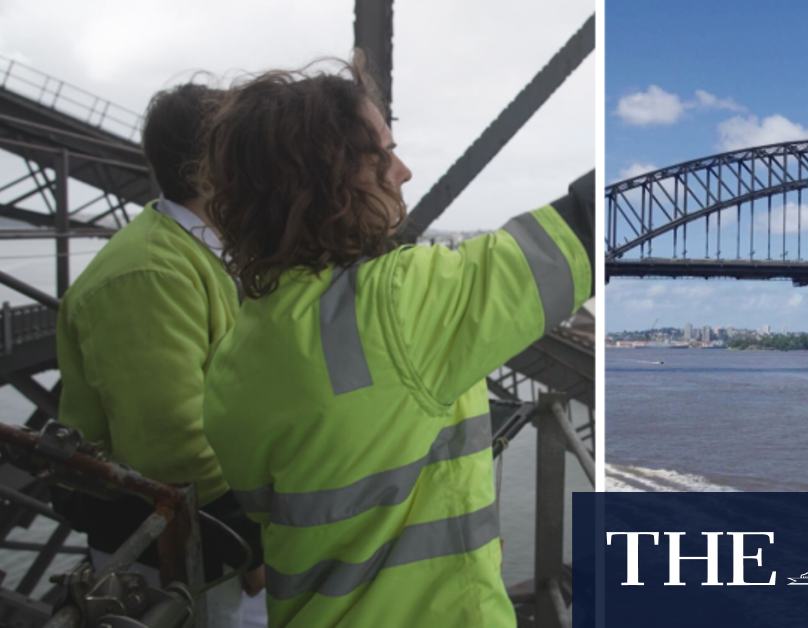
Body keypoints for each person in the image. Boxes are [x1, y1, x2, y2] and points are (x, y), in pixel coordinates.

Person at [200, 60, 592, 627]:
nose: (403, 171)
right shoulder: (399, 308)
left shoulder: (240, 350)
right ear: (328, 179)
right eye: (382, 153)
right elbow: (584, 231)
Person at [54, 83, 267, 627]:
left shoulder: (190, 252)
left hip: (196, 544)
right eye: (250, 147)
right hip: (182, 559)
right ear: (212, 167)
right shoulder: (149, 273)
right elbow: (172, 445)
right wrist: (251, 541)